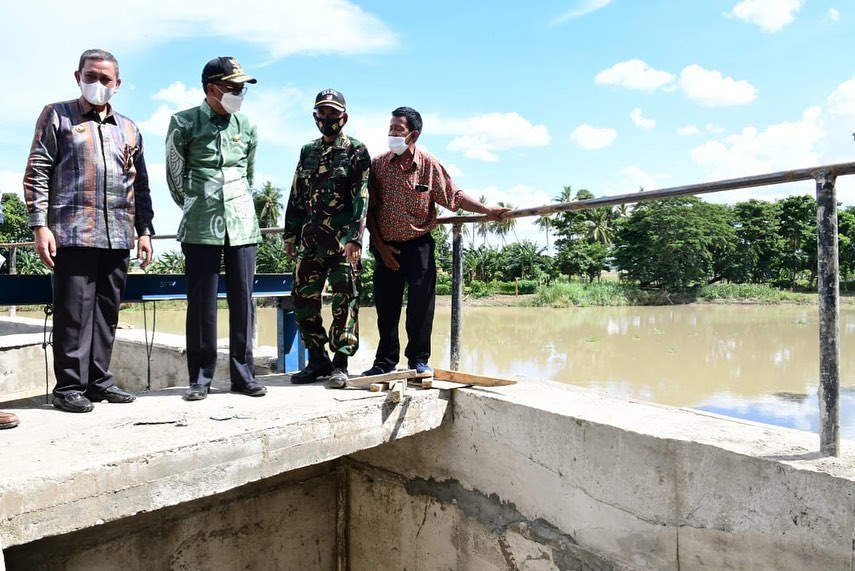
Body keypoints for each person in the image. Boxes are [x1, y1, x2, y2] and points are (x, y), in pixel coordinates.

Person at [23, 49, 154, 413]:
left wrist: (144, 230)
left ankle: (99, 382)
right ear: (78, 77)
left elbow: (140, 185)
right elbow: (37, 171)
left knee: (107, 313)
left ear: (117, 84)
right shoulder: (57, 115)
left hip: (118, 234)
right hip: (73, 231)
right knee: (73, 313)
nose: (98, 83)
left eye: (105, 78)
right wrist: (40, 225)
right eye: (91, 76)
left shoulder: (129, 128)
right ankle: (68, 387)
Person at [365, 106, 509, 376]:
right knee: (386, 307)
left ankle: (418, 361)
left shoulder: (429, 166)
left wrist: (486, 209)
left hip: (418, 244)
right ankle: (384, 361)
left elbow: (455, 196)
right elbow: (368, 209)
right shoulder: (378, 165)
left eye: (398, 129)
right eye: (390, 128)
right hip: (386, 246)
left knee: (421, 306)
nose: (392, 134)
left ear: (414, 135)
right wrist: (381, 247)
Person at [165, 56, 266, 401]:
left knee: (243, 300)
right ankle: (200, 378)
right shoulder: (184, 122)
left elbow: (249, 174)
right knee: (202, 304)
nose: (239, 93)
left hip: (242, 224)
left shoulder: (247, 125)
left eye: (242, 88)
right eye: (233, 87)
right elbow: (175, 176)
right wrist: (197, 206)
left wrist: (237, 203)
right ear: (212, 88)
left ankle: (243, 376)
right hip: (200, 224)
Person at [283, 89, 371, 389]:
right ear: (315, 116)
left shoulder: (356, 150)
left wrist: (355, 238)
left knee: (345, 300)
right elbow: (297, 194)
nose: (327, 117)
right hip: (310, 241)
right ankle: (317, 358)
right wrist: (290, 234)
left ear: (344, 117)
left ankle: (341, 362)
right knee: (302, 300)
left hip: (342, 243)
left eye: (333, 112)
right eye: (322, 112)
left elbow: (361, 196)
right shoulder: (307, 151)